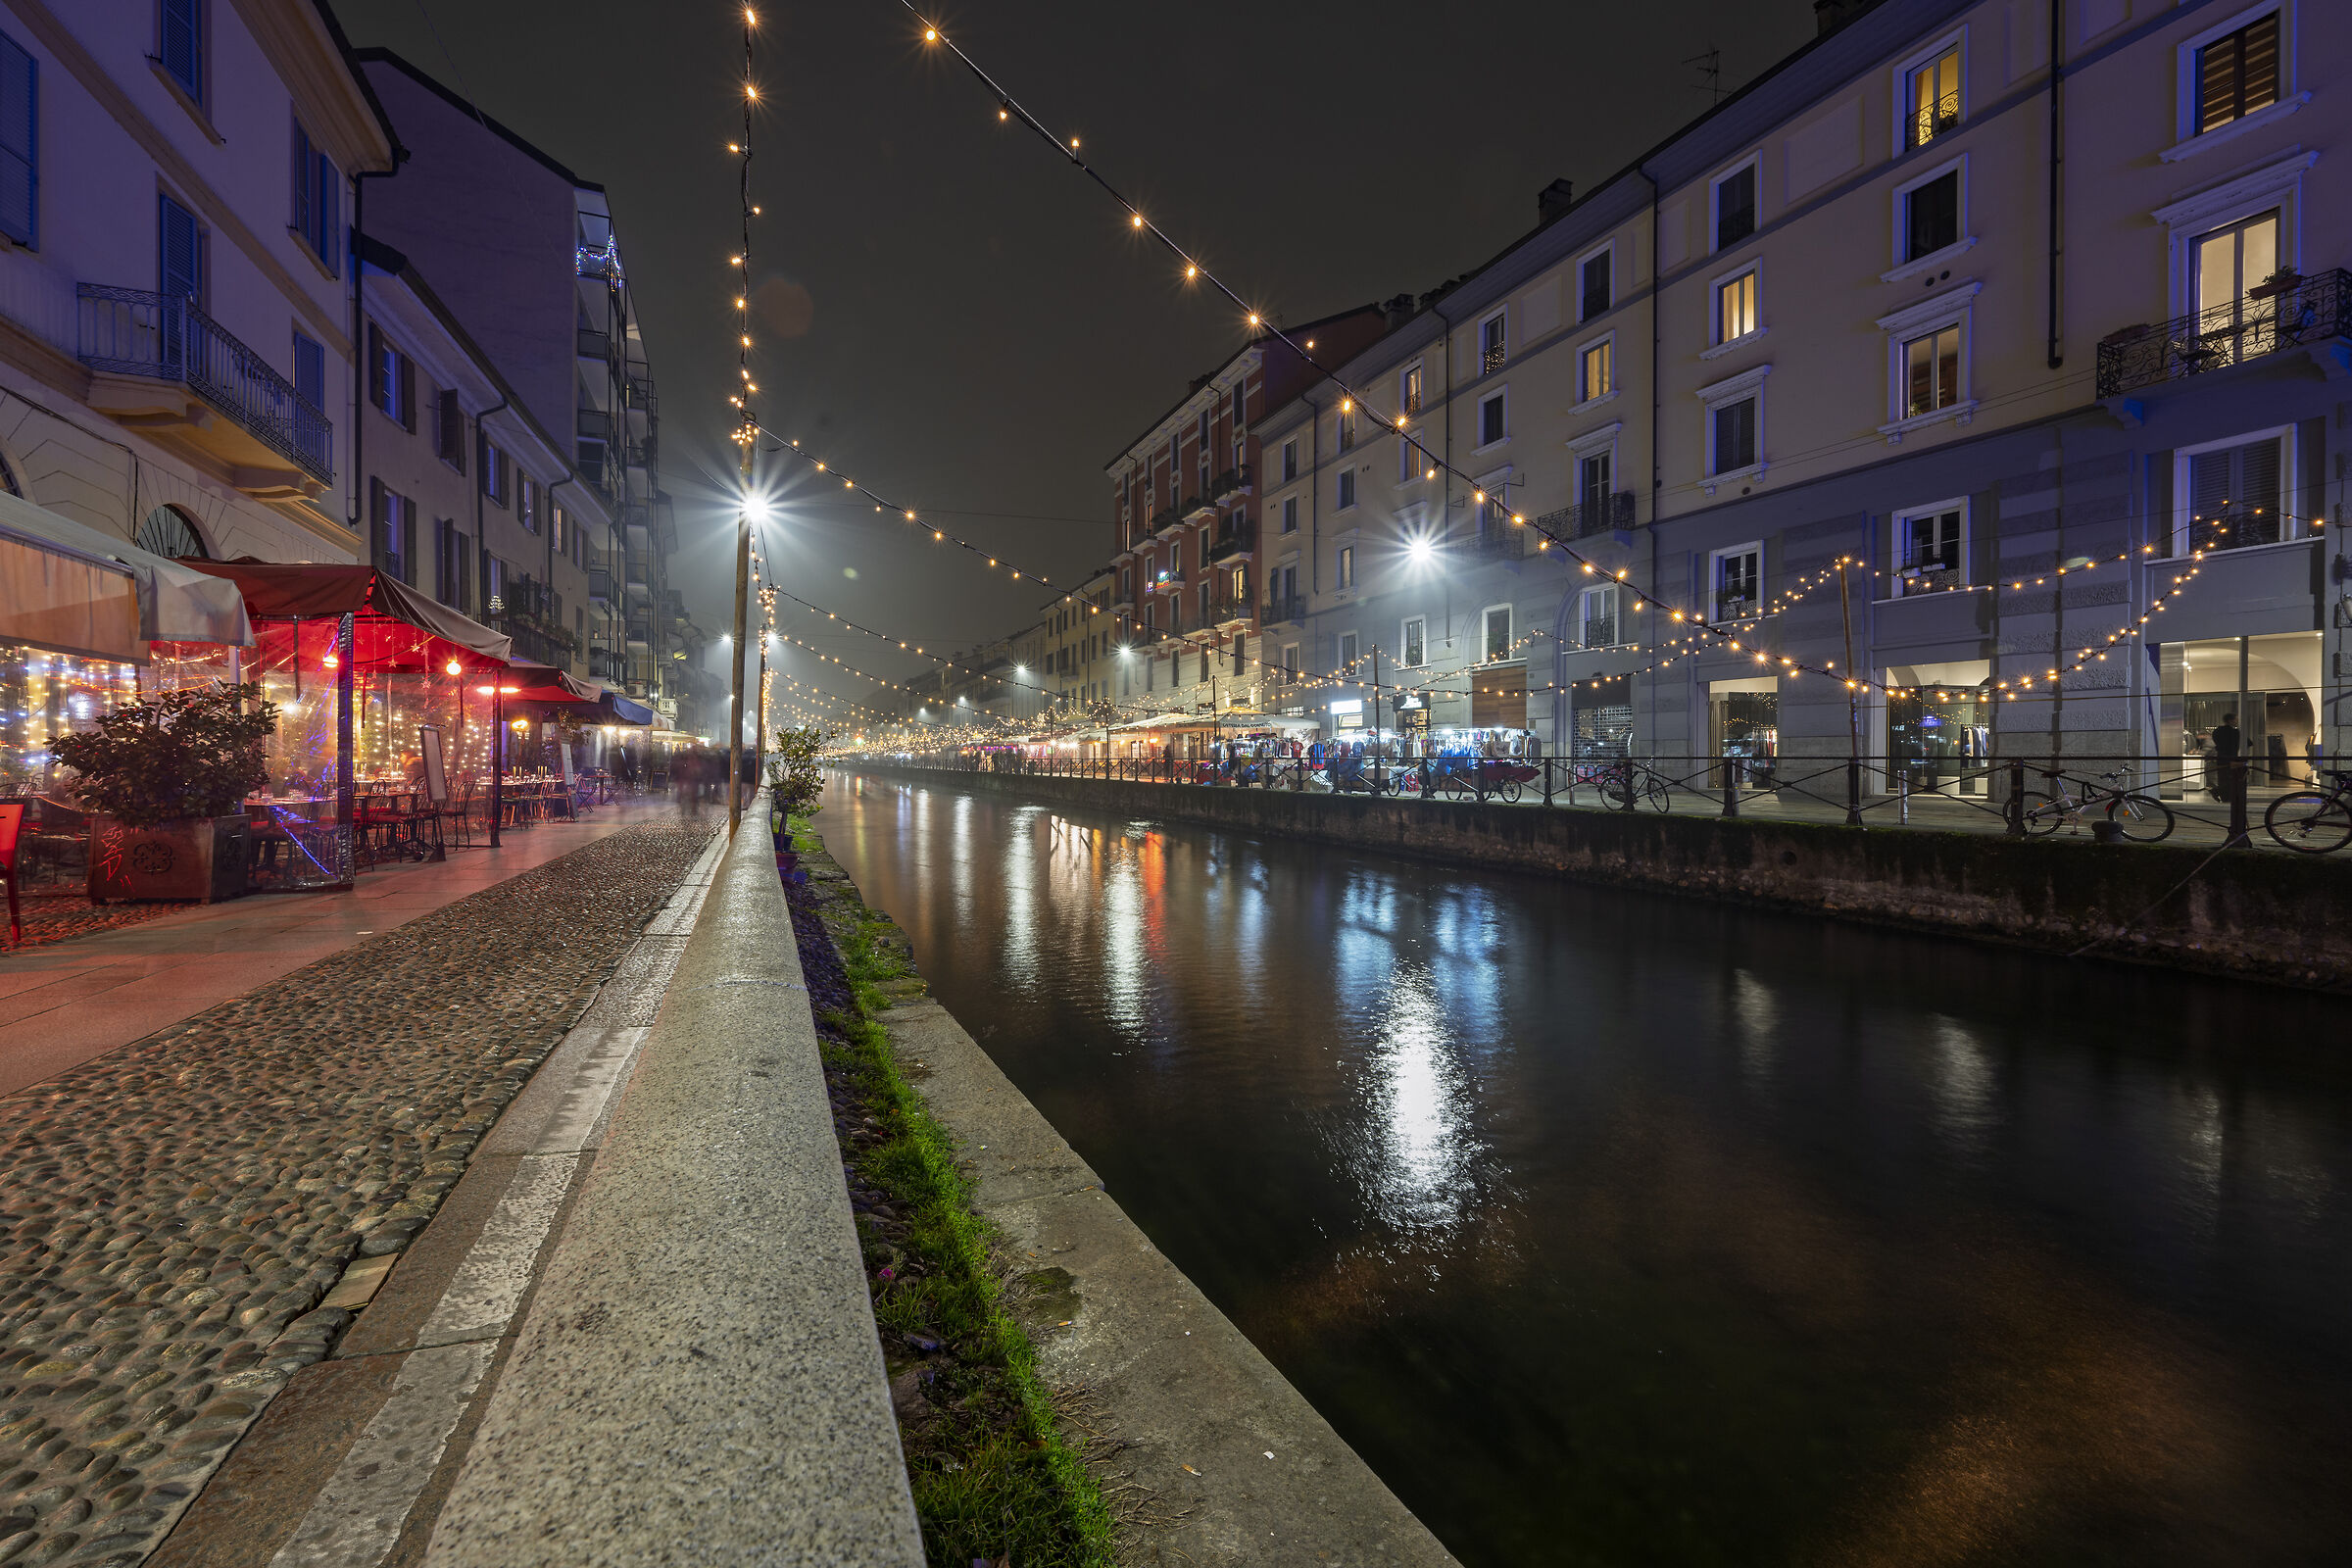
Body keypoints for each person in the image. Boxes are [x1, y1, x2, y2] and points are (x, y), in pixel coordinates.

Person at [2211, 711, 2241, 804]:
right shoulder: (2234, 732)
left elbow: (2217, 743)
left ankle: (2223, 795)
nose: (2237, 721)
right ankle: (2218, 792)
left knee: (2223, 778)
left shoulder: (2217, 731)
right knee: (2231, 778)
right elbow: (2247, 742)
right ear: (2230, 720)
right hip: (2231, 758)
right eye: (2236, 719)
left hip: (2221, 757)